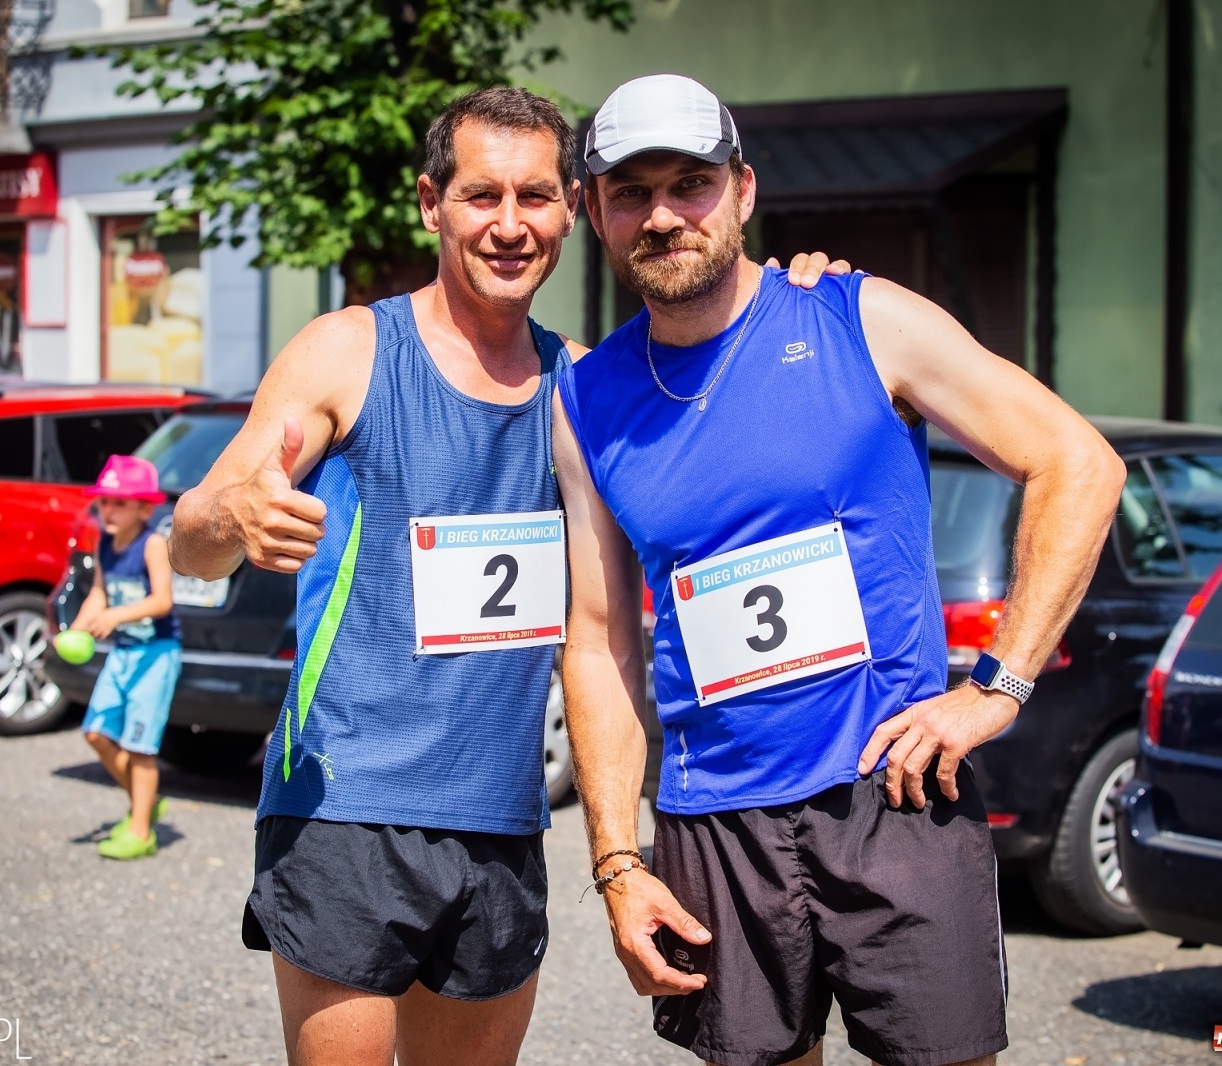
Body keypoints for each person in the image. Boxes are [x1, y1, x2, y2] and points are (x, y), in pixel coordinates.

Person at [167, 86, 849, 1066]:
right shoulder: (348, 351)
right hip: (345, 802)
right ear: (428, 203)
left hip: (502, 816)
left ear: (570, 208)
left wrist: (802, 294)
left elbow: (736, 383)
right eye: (481, 196)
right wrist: (224, 518)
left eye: (534, 197)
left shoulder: (585, 384)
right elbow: (191, 541)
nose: (508, 224)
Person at [556, 74, 1127, 1066]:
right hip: (712, 817)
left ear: (742, 190)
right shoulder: (586, 397)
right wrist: (615, 861)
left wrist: (999, 685)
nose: (661, 214)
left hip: (892, 790)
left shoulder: (863, 319)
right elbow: (599, 642)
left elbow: (1075, 462)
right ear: (591, 210)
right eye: (629, 191)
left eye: (689, 183)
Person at [72, 454, 182, 862]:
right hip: (124, 653)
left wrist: (115, 615)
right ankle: (144, 801)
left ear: (145, 508)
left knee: (140, 747)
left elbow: (162, 601)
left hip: (155, 655)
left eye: (119, 502)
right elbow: (99, 593)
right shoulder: (105, 544)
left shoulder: (152, 544)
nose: (108, 510)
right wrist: (78, 629)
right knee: (96, 733)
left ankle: (141, 831)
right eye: (104, 502)